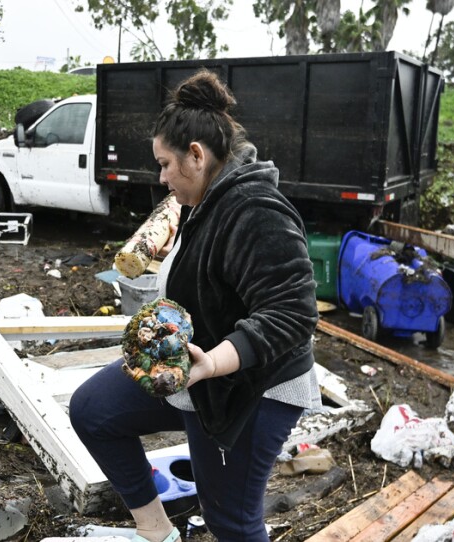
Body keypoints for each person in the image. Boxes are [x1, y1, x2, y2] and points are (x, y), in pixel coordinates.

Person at [69, 70, 320, 542]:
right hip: (195, 371)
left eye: (165, 164)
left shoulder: (255, 209)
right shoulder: (205, 195)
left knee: (232, 522)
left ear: (197, 155)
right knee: (93, 410)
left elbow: (293, 314)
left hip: (250, 388)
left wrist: (215, 362)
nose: (161, 177)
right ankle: (156, 532)